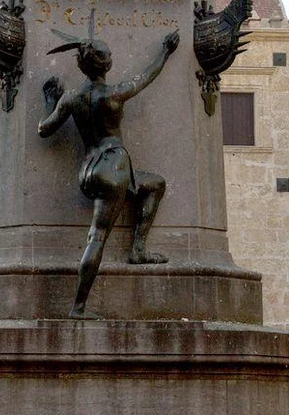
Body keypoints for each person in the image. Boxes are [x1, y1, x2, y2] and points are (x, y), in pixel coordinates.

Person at [37, 22, 181, 316]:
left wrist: (50, 100)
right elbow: (146, 77)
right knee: (98, 236)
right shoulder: (113, 94)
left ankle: (138, 249)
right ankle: (78, 307)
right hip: (113, 164)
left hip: (89, 170)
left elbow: (44, 129)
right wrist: (165, 51)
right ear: (107, 64)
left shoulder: (71, 99)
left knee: (154, 184)